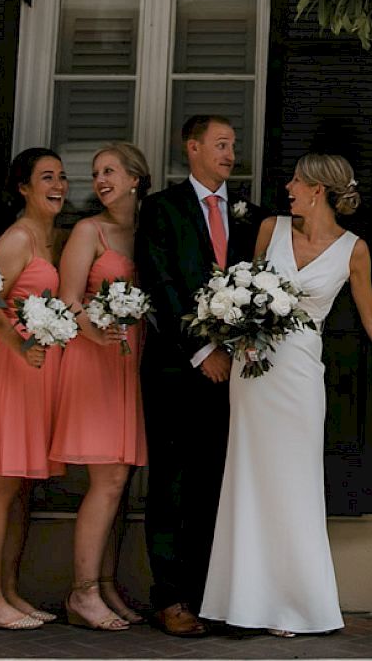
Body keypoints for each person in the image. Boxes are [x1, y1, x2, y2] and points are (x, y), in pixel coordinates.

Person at [200, 153, 372, 635]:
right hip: (253, 371)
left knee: (295, 483)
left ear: (318, 190)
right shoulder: (270, 228)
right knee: (249, 478)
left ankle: (294, 605)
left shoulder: (354, 250)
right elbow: (238, 291)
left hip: (298, 375)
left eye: (296, 179)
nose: (288, 186)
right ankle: (244, 602)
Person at [134, 114, 258, 637]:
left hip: (237, 373)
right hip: (176, 369)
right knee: (172, 483)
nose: (231, 153)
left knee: (216, 483)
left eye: (233, 145)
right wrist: (203, 349)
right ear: (194, 148)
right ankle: (170, 597)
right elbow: (160, 284)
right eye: (221, 144)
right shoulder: (162, 209)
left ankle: (213, 596)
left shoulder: (251, 214)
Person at [51, 142, 154, 631]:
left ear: (136, 178)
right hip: (95, 360)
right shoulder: (87, 231)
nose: (100, 180)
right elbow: (67, 300)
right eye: (95, 174)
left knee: (122, 481)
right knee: (107, 480)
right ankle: (82, 593)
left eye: (109, 171)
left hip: (134, 365)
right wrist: (95, 329)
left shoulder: (148, 231)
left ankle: (107, 585)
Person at [0, 147, 69, 630]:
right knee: (2, 484)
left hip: (41, 375)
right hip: (14, 371)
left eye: (62, 177)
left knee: (23, 488)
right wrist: (17, 343)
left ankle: (10, 590)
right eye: (46, 177)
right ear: (24, 188)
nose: (58, 185)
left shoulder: (50, 237)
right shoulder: (17, 238)